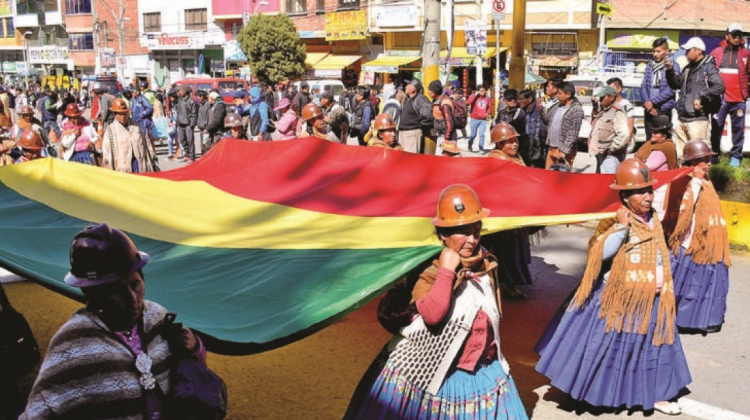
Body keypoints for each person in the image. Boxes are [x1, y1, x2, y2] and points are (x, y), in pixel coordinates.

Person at [343, 184, 528, 420]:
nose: (472, 240)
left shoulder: (486, 264)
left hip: (482, 373)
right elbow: (433, 315)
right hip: (429, 374)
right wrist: (447, 270)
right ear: (443, 234)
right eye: (462, 231)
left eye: (476, 230)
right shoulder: (429, 271)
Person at [535, 158, 691, 416]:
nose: (647, 197)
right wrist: (621, 228)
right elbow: (598, 253)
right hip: (619, 299)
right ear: (625, 195)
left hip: (652, 299)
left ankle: (658, 395)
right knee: (610, 349)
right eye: (640, 192)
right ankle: (588, 390)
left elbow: (660, 251)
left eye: (649, 190)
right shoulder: (613, 219)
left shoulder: (652, 218)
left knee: (654, 348)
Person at [19, 223, 207, 420]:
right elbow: (39, 412)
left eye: (135, 284)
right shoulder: (72, 344)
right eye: (116, 291)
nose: (132, 299)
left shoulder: (157, 317)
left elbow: (188, 376)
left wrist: (194, 347)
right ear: (94, 293)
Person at [669, 140, 731, 334]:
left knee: (709, 287)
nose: (709, 163)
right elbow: (684, 212)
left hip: (711, 244)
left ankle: (706, 320)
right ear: (693, 161)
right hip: (692, 244)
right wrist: (695, 181)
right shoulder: (686, 182)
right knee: (688, 288)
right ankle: (680, 319)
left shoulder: (707, 180)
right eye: (704, 159)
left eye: (709, 158)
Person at [483, 122, 533, 300]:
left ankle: (508, 282)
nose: (514, 144)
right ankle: (504, 284)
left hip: (516, 215)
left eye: (515, 140)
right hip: (502, 218)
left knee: (514, 251)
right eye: (509, 141)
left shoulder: (517, 157)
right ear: (498, 143)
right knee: (504, 253)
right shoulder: (495, 160)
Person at [666, 37, 725, 161]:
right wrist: (670, 70)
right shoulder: (688, 68)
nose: (686, 53)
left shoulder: (708, 67)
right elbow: (676, 84)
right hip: (682, 118)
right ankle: (685, 181)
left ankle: (699, 180)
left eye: (688, 50)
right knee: (682, 158)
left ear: (698, 50)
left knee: (698, 158)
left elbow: (719, 86)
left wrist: (701, 96)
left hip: (697, 120)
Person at [710, 23, 750, 167]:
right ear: (727, 35)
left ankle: (736, 157)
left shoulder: (746, 53)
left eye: (740, 34)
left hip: (739, 99)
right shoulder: (716, 52)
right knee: (716, 127)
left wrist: (746, 93)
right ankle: (714, 154)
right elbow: (709, 73)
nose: (737, 37)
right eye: (734, 34)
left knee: (738, 130)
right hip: (720, 99)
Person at [634, 114, 679, 220]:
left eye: (656, 132)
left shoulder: (665, 147)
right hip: (651, 186)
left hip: (661, 187)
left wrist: (640, 162)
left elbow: (649, 166)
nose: (652, 134)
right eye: (652, 131)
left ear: (663, 136)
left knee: (657, 214)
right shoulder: (650, 144)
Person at [101, 98, 159, 173]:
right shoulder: (110, 131)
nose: (123, 116)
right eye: (120, 114)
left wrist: (152, 160)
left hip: (139, 165)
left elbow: (146, 144)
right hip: (122, 168)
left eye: (125, 113)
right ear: (115, 114)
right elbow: (106, 153)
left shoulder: (136, 126)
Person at [641, 37, 680, 140]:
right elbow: (644, 85)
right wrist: (647, 104)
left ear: (666, 51)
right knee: (649, 140)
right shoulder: (650, 65)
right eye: (653, 51)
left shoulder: (672, 66)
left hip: (663, 109)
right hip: (649, 109)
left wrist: (653, 102)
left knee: (662, 140)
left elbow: (671, 89)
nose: (655, 54)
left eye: (658, 51)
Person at [542, 82, 583, 170]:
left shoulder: (576, 109)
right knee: (548, 176)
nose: (557, 96)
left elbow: (573, 133)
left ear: (568, 94)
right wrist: (540, 111)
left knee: (561, 178)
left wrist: (564, 151)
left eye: (560, 94)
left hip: (563, 150)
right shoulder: (557, 106)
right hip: (552, 147)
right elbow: (547, 120)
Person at [589, 86, 629, 174]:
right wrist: (594, 106)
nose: (600, 100)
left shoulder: (617, 112)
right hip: (601, 154)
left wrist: (611, 149)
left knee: (607, 183)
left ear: (611, 97)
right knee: (600, 183)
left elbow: (624, 134)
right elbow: (593, 122)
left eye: (603, 97)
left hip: (610, 157)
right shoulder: (604, 110)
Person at [398, 79, 433, 153]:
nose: (406, 87)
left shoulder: (420, 99)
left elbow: (428, 115)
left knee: (410, 159)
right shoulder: (407, 98)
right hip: (403, 133)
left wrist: (419, 124)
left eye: (408, 85)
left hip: (412, 134)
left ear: (414, 88)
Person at [494, 89, 528, 163]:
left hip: (515, 144)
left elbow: (513, 125)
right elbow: (495, 127)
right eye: (510, 99)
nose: (512, 101)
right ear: (504, 101)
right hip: (501, 144)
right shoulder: (501, 112)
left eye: (514, 98)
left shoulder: (520, 112)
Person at [428, 80, 460, 155]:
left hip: (447, 136)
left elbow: (449, 122)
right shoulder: (437, 101)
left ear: (434, 91)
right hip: (441, 135)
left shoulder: (445, 103)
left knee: (444, 159)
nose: (428, 91)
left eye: (430, 90)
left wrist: (446, 138)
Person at [518, 89, 545, 168]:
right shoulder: (521, 112)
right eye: (519, 99)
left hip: (536, 150)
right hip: (525, 148)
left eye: (521, 99)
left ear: (529, 99)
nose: (519, 101)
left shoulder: (539, 110)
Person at [466, 85, 492, 153]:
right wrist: (474, 95)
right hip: (474, 119)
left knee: (482, 134)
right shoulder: (474, 96)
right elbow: (468, 102)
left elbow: (489, 106)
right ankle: (469, 144)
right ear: (478, 91)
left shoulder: (487, 98)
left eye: (483, 90)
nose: (483, 92)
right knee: (473, 135)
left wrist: (487, 113)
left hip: (483, 119)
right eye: (481, 91)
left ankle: (481, 148)